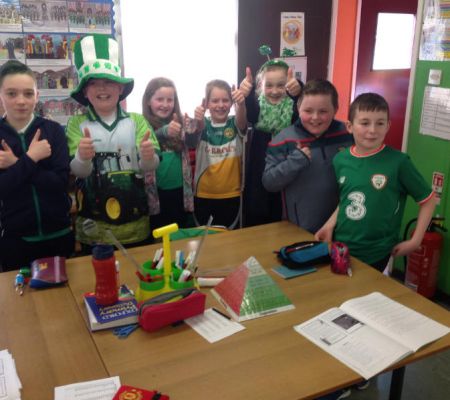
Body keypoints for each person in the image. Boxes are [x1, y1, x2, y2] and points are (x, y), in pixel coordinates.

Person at [315, 93, 436, 272]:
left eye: (380, 123)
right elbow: (347, 197)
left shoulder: (399, 162)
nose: (372, 130)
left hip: (376, 251)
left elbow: (428, 200)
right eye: (365, 123)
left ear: (388, 126)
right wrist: (329, 224)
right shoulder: (340, 159)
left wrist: (415, 241)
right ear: (350, 126)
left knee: (364, 289)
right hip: (341, 245)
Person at [66, 34, 160, 249]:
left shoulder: (137, 121)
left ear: (120, 88)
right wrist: (82, 157)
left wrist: (148, 157)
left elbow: (150, 166)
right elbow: (79, 172)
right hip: (93, 231)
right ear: (85, 91)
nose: (102, 88)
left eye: (109, 82)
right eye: (94, 83)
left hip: (136, 227)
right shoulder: (76, 124)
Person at [0, 60, 74, 271]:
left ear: (37, 96)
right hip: (16, 240)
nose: (21, 101)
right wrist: (31, 158)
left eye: (28, 94)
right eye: (12, 94)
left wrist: (16, 164)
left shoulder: (53, 131)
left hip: (59, 235)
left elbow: (59, 183)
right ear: (1, 96)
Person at [262, 79, 353, 233]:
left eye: (323, 111)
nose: (315, 117)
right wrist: (295, 161)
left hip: (343, 225)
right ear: (298, 108)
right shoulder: (283, 140)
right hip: (300, 229)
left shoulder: (348, 134)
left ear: (335, 109)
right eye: (308, 111)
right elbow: (269, 183)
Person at [239, 58, 302, 226]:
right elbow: (251, 114)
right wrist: (247, 93)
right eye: (269, 85)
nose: (274, 91)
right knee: (257, 211)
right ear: (261, 86)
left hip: (286, 167)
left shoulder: (293, 107)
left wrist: (298, 92)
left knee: (281, 211)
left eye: (281, 85)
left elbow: (300, 109)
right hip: (259, 169)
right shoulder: (258, 106)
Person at [186, 79, 246, 228]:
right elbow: (198, 130)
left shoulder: (235, 123)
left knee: (230, 240)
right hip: (203, 194)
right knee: (205, 239)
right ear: (206, 104)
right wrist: (198, 119)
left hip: (232, 194)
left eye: (225, 100)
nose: (220, 105)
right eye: (215, 101)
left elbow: (242, 121)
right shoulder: (201, 125)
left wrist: (241, 104)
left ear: (232, 103)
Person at [141, 77, 194, 230]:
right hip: (156, 196)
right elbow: (142, 144)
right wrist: (163, 132)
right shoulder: (142, 124)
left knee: (180, 234)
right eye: (160, 99)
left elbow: (193, 138)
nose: (165, 104)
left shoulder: (180, 122)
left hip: (180, 193)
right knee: (158, 235)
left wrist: (197, 121)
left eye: (170, 100)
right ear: (148, 101)